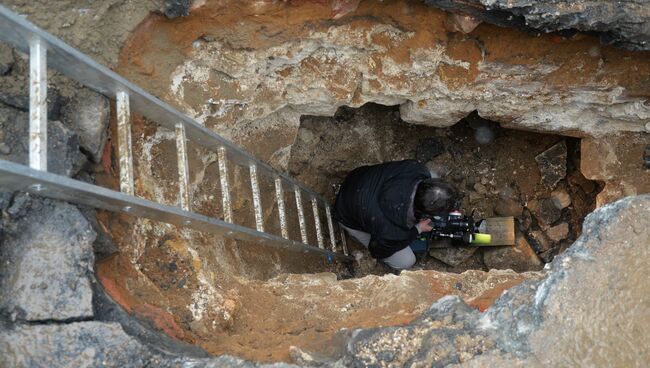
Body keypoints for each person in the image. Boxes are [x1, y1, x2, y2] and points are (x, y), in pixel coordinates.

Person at [333, 160, 461, 269]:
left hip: (357, 179)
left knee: (431, 174)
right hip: (345, 213)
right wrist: (417, 229)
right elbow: (377, 251)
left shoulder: (416, 168)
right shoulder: (392, 232)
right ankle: (356, 234)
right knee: (406, 261)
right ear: (423, 214)